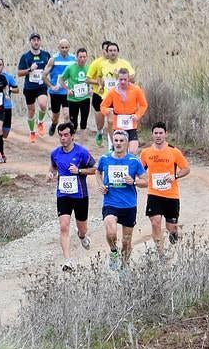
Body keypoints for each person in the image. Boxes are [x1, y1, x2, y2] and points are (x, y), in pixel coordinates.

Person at [47, 122, 95, 272]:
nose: (63, 138)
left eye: (66, 135)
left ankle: (82, 236)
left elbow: (94, 169)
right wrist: (50, 174)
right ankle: (68, 261)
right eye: (60, 135)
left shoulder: (82, 152)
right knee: (64, 226)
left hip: (80, 195)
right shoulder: (55, 153)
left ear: (72, 136)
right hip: (63, 195)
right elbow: (53, 168)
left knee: (82, 228)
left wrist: (79, 170)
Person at [96, 130, 146, 270]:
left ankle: (124, 266)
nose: (118, 143)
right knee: (111, 231)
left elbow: (146, 181)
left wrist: (134, 182)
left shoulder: (134, 161)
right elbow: (98, 172)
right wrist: (100, 185)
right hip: (110, 202)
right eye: (115, 140)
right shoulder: (105, 158)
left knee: (126, 241)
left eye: (121, 141)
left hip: (129, 204)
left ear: (127, 143)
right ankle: (113, 252)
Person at [139, 122, 191, 255]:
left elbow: (186, 169)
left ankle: (173, 234)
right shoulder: (146, 153)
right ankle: (160, 253)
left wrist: (175, 176)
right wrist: (137, 181)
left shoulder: (174, 151)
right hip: (154, 193)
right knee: (155, 223)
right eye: (155, 133)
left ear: (165, 134)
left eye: (160, 133)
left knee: (170, 227)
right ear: (152, 135)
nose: (158, 135)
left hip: (171, 195)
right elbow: (139, 170)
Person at [87, 41, 135, 148]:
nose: (112, 53)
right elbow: (99, 76)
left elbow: (133, 79)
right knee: (110, 121)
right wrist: (100, 85)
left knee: (121, 122)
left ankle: (123, 144)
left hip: (122, 98)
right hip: (107, 97)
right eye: (110, 51)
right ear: (107, 52)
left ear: (118, 52)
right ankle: (111, 145)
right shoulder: (102, 64)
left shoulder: (124, 64)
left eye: (114, 50)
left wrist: (120, 77)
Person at [100, 68, 148, 154]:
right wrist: (108, 111)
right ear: (118, 79)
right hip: (118, 124)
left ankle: (132, 164)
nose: (122, 82)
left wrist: (137, 115)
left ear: (128, 78)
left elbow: (143, 105)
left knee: (133, 151)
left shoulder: (136, 90)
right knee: (120, 151)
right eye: (120, 79)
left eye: (125, 79)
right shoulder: (113, 92)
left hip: (131, 123)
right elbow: (103, 106)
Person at [17, 33, 51, 143]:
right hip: (30, 87)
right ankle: (32, 132)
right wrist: (29, 70)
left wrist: (48, 71)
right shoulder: (25, 57)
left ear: (40, 42)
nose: (36, 42)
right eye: (33, 40)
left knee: (43, 104)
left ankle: (40, 122)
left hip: (41, 85)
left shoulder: (46, 55)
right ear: (30, 42)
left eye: (38, 40)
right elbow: (19, 73)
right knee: (31, 110)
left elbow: (51, 67)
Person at [57, 47, 92, 139]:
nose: (82, 59)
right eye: (80, 57)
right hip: (73, 99)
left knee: (84, 120)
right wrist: (67, 89)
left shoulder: (89, 68)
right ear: (76, 57)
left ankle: (83, 140)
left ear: (87, 57)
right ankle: (72, 139)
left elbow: (93, 80)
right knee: (74, 122)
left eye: (84, 57)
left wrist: (91, 89)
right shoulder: (70, 68)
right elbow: (61, 79)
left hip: (85, 98)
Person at [45, 38, 75, 133]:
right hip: (56, 92)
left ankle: (66, 134)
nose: (64, 49)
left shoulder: (74, 59)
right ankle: (54, 124)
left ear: (69, 48)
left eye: (66, 47)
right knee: (55, 116)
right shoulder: (53, 59)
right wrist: (51, 86)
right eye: (62, 47)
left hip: (67, 92)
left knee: (67, 114)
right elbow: (43, 76)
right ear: (58, 48)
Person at [0, 57, 20, 139]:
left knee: (5, 133)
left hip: (7, 106)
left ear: (3, 66)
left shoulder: (9, 77)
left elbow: (17, 89)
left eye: (0, 65)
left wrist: (9, 88)